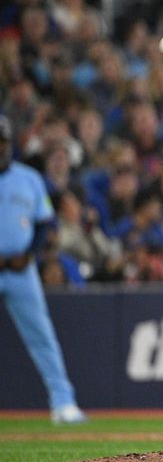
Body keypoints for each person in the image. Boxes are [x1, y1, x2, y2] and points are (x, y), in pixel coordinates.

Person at [0, 116, 87, 424]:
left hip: (21, 270)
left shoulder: (28, 178)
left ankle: (63, 402)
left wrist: (30, 254)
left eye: (3, 142)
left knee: (42, 336)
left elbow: (45, 223)